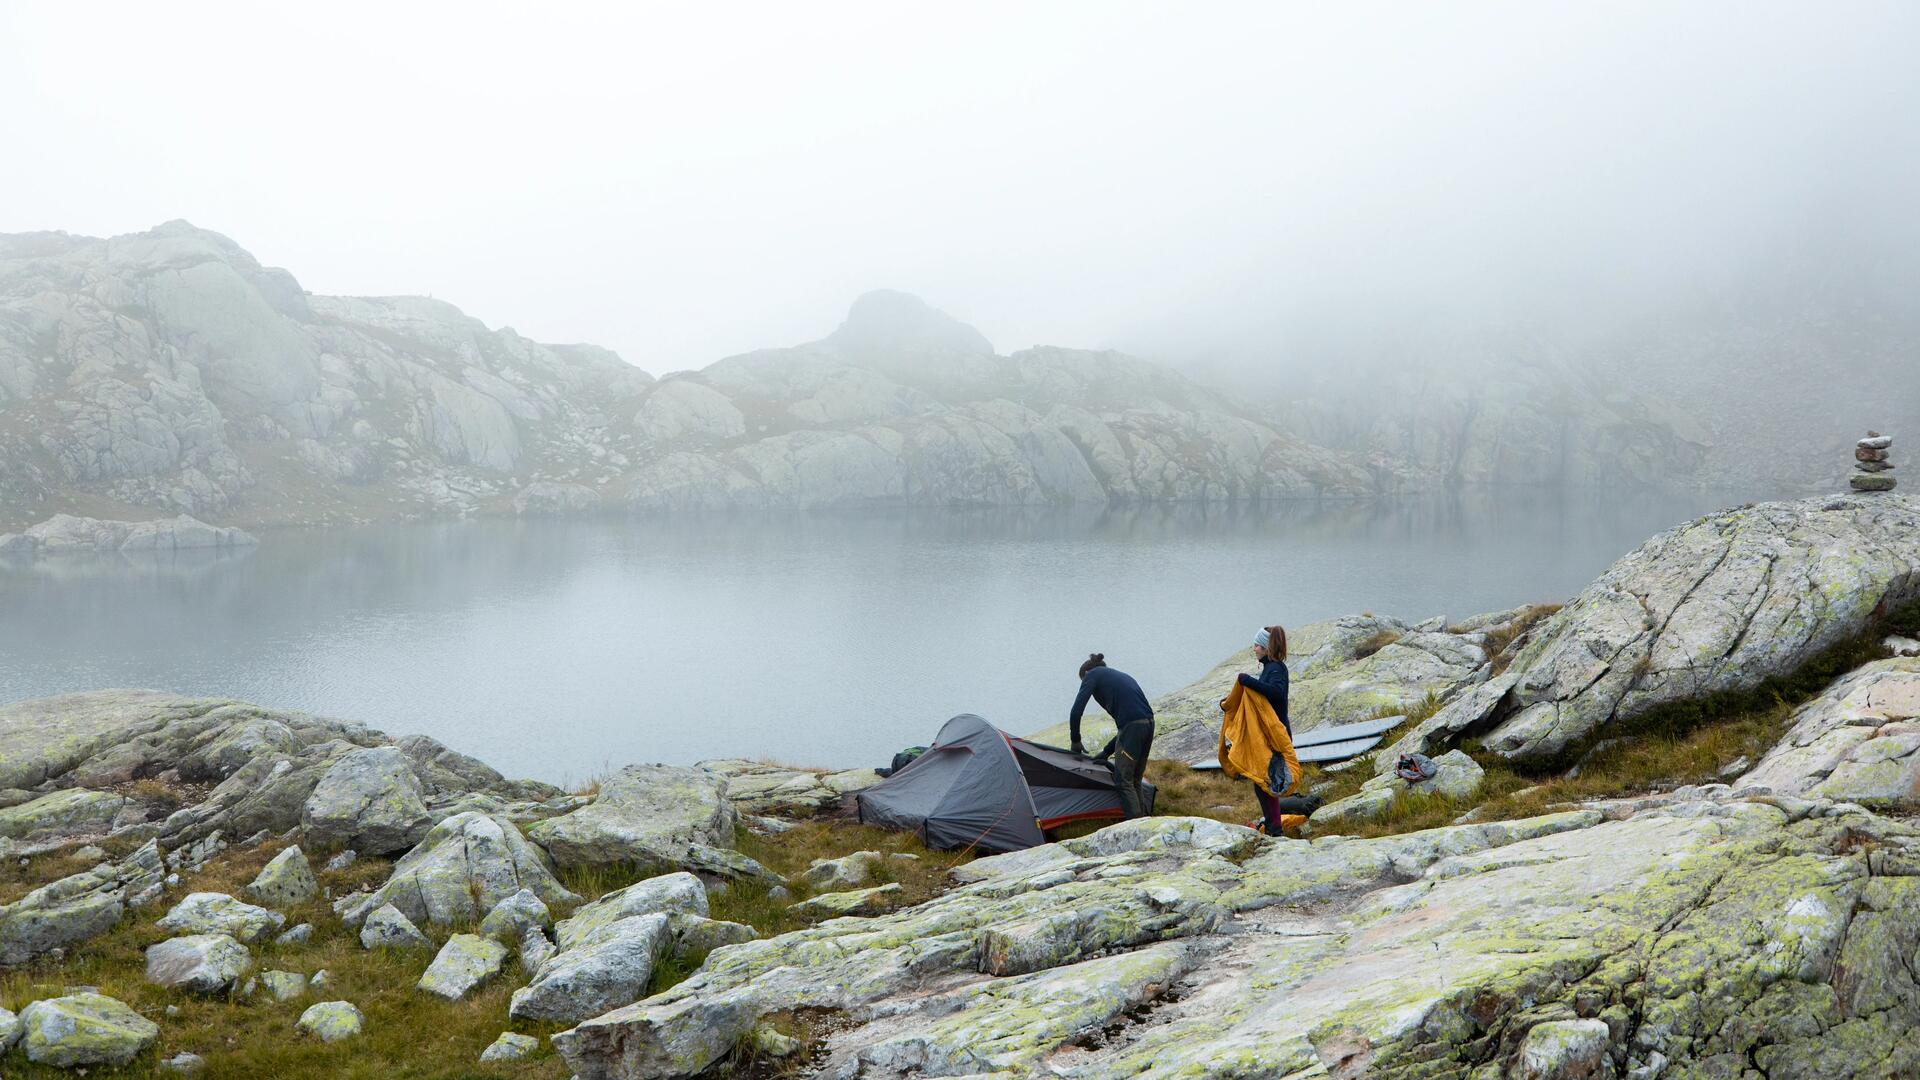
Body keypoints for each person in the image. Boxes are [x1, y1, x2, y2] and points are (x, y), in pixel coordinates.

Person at [1069, 653, 1154, 819]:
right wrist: (1106, 752)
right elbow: (1129, 726)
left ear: (1086, 673)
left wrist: (1075, 740)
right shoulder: (1119, 676)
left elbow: (1076, 711)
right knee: (1135, 779)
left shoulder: (1091, 675)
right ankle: (1145, 821)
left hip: (1133, 727)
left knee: (1123, 780)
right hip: (1149, 724)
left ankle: (1136, 826)